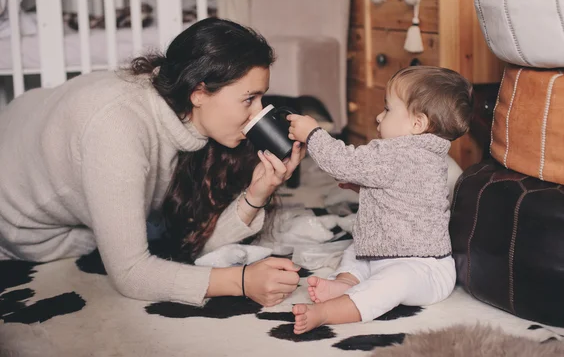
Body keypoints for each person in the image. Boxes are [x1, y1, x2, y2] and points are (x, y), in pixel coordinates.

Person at [0, 18, 306, 307]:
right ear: (199, 92)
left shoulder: (182, 105)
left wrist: (258, 192)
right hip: (20, 221)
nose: (258, 113)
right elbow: (131, 273)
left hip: (30, 121)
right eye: (249, 99)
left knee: (161, 232)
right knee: (148, 239)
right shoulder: (118, 130)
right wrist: (240, 281)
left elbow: (192, 239)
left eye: (261, 99)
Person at [286, 66, 473, 334]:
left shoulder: (398, 154)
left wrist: (313, 134)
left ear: (417, 124)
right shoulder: (424, 156)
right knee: (357, 250)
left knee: (394, 281)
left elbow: (342, 162)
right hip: (384, 251)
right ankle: (346, 281)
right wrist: (367, 190)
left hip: (422, 268)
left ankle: (330, 311)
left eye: (387, 109)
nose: (378, 116)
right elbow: (404, 199)